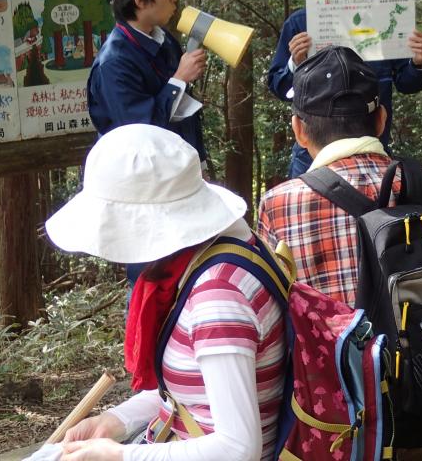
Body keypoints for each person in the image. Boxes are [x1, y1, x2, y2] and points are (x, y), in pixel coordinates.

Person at [44, 124, 285, 461]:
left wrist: (118, 456)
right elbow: (193, 393)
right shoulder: (226, 249)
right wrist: (115, 421)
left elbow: (238, 447)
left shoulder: (216, 295)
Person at [257, 45, 422, 306]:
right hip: (420, 346)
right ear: (381, 120)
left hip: (330, 348)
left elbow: (271, 307)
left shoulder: (278, 205)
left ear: (299, 130)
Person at [267, 0, 422, 178]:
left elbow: (407, 83)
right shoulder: (301, 24)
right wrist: (294, 63)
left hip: (373, 151)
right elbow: (279, 87)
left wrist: (418, 62)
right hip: (312, 156)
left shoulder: (385, 18)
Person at [87, 0, 208, 162]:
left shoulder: (164, 40)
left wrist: (200, 163)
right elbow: (141, 133)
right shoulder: (114, 63)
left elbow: (183, 113)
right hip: (141, 182)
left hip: (177, 169)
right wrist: (179, 79)